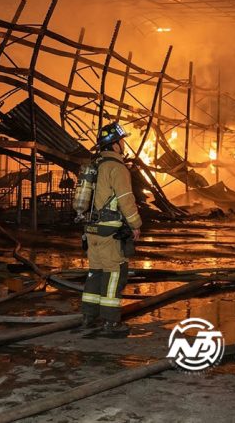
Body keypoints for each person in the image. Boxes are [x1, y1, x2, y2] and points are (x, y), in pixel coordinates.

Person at [78, 122, 142, 336]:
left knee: (95, 273)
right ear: (114, 145)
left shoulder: (94, 165)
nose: (123, 145)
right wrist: (135, 225)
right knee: (115, 274)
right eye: (121, 141)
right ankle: (111, 322)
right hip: (110, 231)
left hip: (91, 231)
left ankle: (88, 317)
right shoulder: (117, 167)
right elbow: (126, 200)